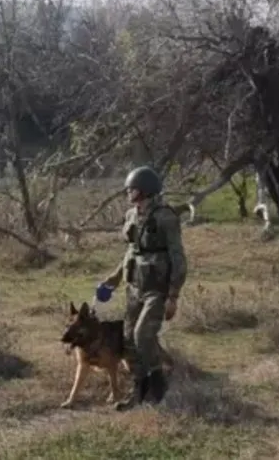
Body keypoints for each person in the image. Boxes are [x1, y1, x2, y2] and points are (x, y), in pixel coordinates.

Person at [96, 165, 187, 410]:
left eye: (132, 189)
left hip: (157, 288)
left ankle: (158, 387)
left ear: (145, 191)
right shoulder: (132, 216)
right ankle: (139, 390)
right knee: (128, 340)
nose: (128, 193)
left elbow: (178, 257)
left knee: (143, 335)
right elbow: (132, 251)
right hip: (134, 285)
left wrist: (173, 296)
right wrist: (113, 280)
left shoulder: (165, 216)